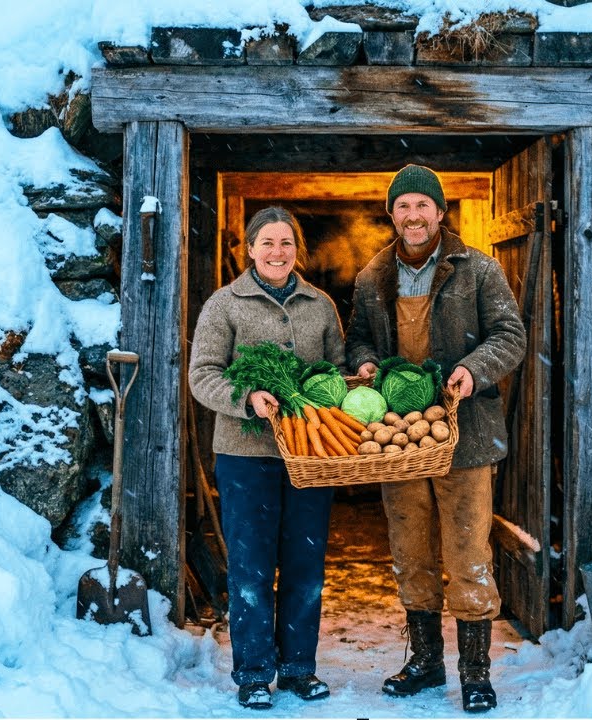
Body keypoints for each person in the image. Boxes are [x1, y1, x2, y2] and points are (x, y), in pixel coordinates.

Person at [345, 164, 526, 713]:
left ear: (441, 213)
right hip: (398, 439)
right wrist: (368, 362)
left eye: (423, 205)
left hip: (464, 434)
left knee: (468, 553)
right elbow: (355, 342)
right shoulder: (372, 276)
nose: (413, 215)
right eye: (403, 206)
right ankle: (425, 661)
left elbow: (510, 335)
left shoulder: (478, 270)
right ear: (392, 214)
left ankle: (475, 673)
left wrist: (474, 369)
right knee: (412, 552)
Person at [188, 206, 345, 710]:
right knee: (252, 568)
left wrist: (342, 387)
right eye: (268, 243)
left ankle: (299, 668)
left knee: (305, 566)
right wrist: (247, 396)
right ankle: (254, 672)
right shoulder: (224, 304)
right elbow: (203, 375)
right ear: (250, 249)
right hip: (244, 456)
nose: (278, 252)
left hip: (308, 456)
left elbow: (335, 373)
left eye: (287, 243)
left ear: (298, 251)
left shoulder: (319, 305)